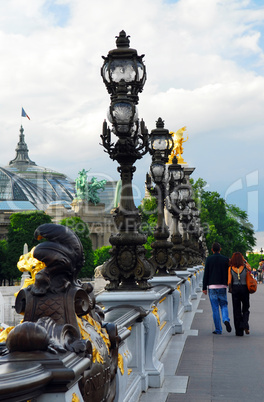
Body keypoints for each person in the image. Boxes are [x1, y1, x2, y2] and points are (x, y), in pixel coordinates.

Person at [203, 242, 232, 335]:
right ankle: (225, 319)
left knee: (215, 308)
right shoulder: (225, 259)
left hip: (212, 287)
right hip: (222, 286)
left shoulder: (209, 259)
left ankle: (218, 329)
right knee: (224, 305)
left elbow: (206, 274)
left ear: (212, 250)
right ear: (220, 249)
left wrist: (204, 287)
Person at [228, 252, 251, 336]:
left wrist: (230, 289)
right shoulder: (245, 267)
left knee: (236, 310)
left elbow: (229, 281)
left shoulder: (230, 268)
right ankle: (245, 323)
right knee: (245, 307)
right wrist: (245, 260)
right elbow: (250, 268)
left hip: (235, 289)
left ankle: (239, 331)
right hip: (244, 288)